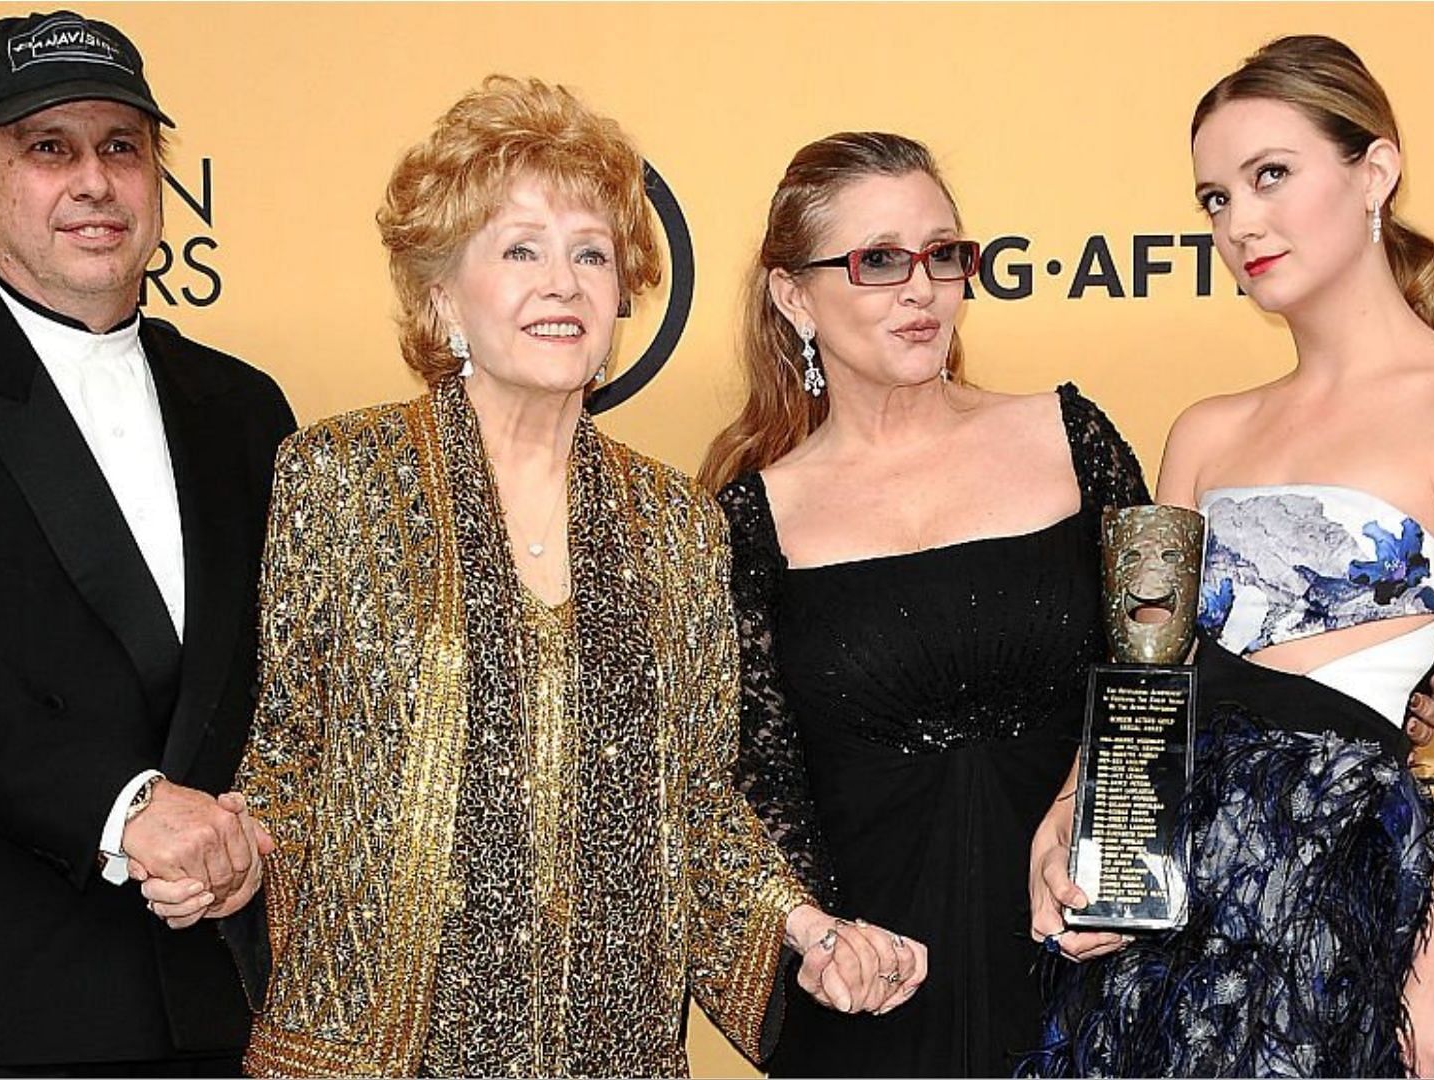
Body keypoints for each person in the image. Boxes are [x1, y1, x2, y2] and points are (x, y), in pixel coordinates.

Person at [178, 77, 925, 1078]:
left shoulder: (676, 524)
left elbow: (700, 805)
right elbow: (287, 762)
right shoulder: (339, 477)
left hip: (610, 1051)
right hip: (375, 1052)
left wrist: (806, 929)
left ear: (623, 296)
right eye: (519, 249)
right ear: (442, 292)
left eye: (590, 254)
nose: (562, 283)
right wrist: (233, 857)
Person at [1029, 35, 1434, 1079]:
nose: (1242, 223)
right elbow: (1149, 684)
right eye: (1216, 199)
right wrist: (1072, 827)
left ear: (1376, 171)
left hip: (1324, 895)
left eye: (1271, 175)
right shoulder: (1206, 434)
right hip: (1164, 909)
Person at [0, 11, 295, 1076]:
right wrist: (126, 811)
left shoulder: (246, 407)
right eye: (48, 148)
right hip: (14, 1009)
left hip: (233, 1003)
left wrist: (252, 838)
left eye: (122, 147)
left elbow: (300, 678)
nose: (94, 182)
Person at [693, 131, 1148, 1077]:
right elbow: (743, 788)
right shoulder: (745, 521)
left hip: (1093, 970)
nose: (922, 289)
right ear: (793, 295)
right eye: (879, 260)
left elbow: (1156, 675)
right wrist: (816, 943)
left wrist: (1112, 847)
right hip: (876, 1002)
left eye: (945, 254)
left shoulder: (1072, 438)